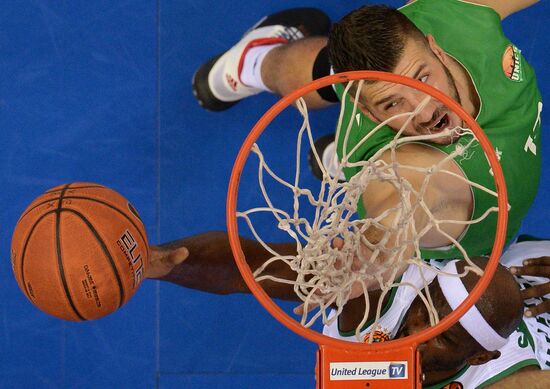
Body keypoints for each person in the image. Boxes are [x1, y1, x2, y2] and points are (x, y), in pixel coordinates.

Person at [192, 1, 544, 281]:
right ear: (370, 112)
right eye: (392, 104)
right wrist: (382, 243)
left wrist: (397, 96)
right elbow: (406, 197)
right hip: (394, 162)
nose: (423, 111)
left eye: (423, 79)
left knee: (328, 68)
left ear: (436, 49)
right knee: (325, 77)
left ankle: (340, 156)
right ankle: (253, 62)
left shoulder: (456, 15)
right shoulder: (401, 162)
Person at [144, 233, 550, 388]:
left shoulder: (504, 379)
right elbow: (251, 267)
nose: (419, 329)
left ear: (479, 357)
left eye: (442, 336)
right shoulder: (381, 292)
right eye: (426, 306)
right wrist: (156, 261)